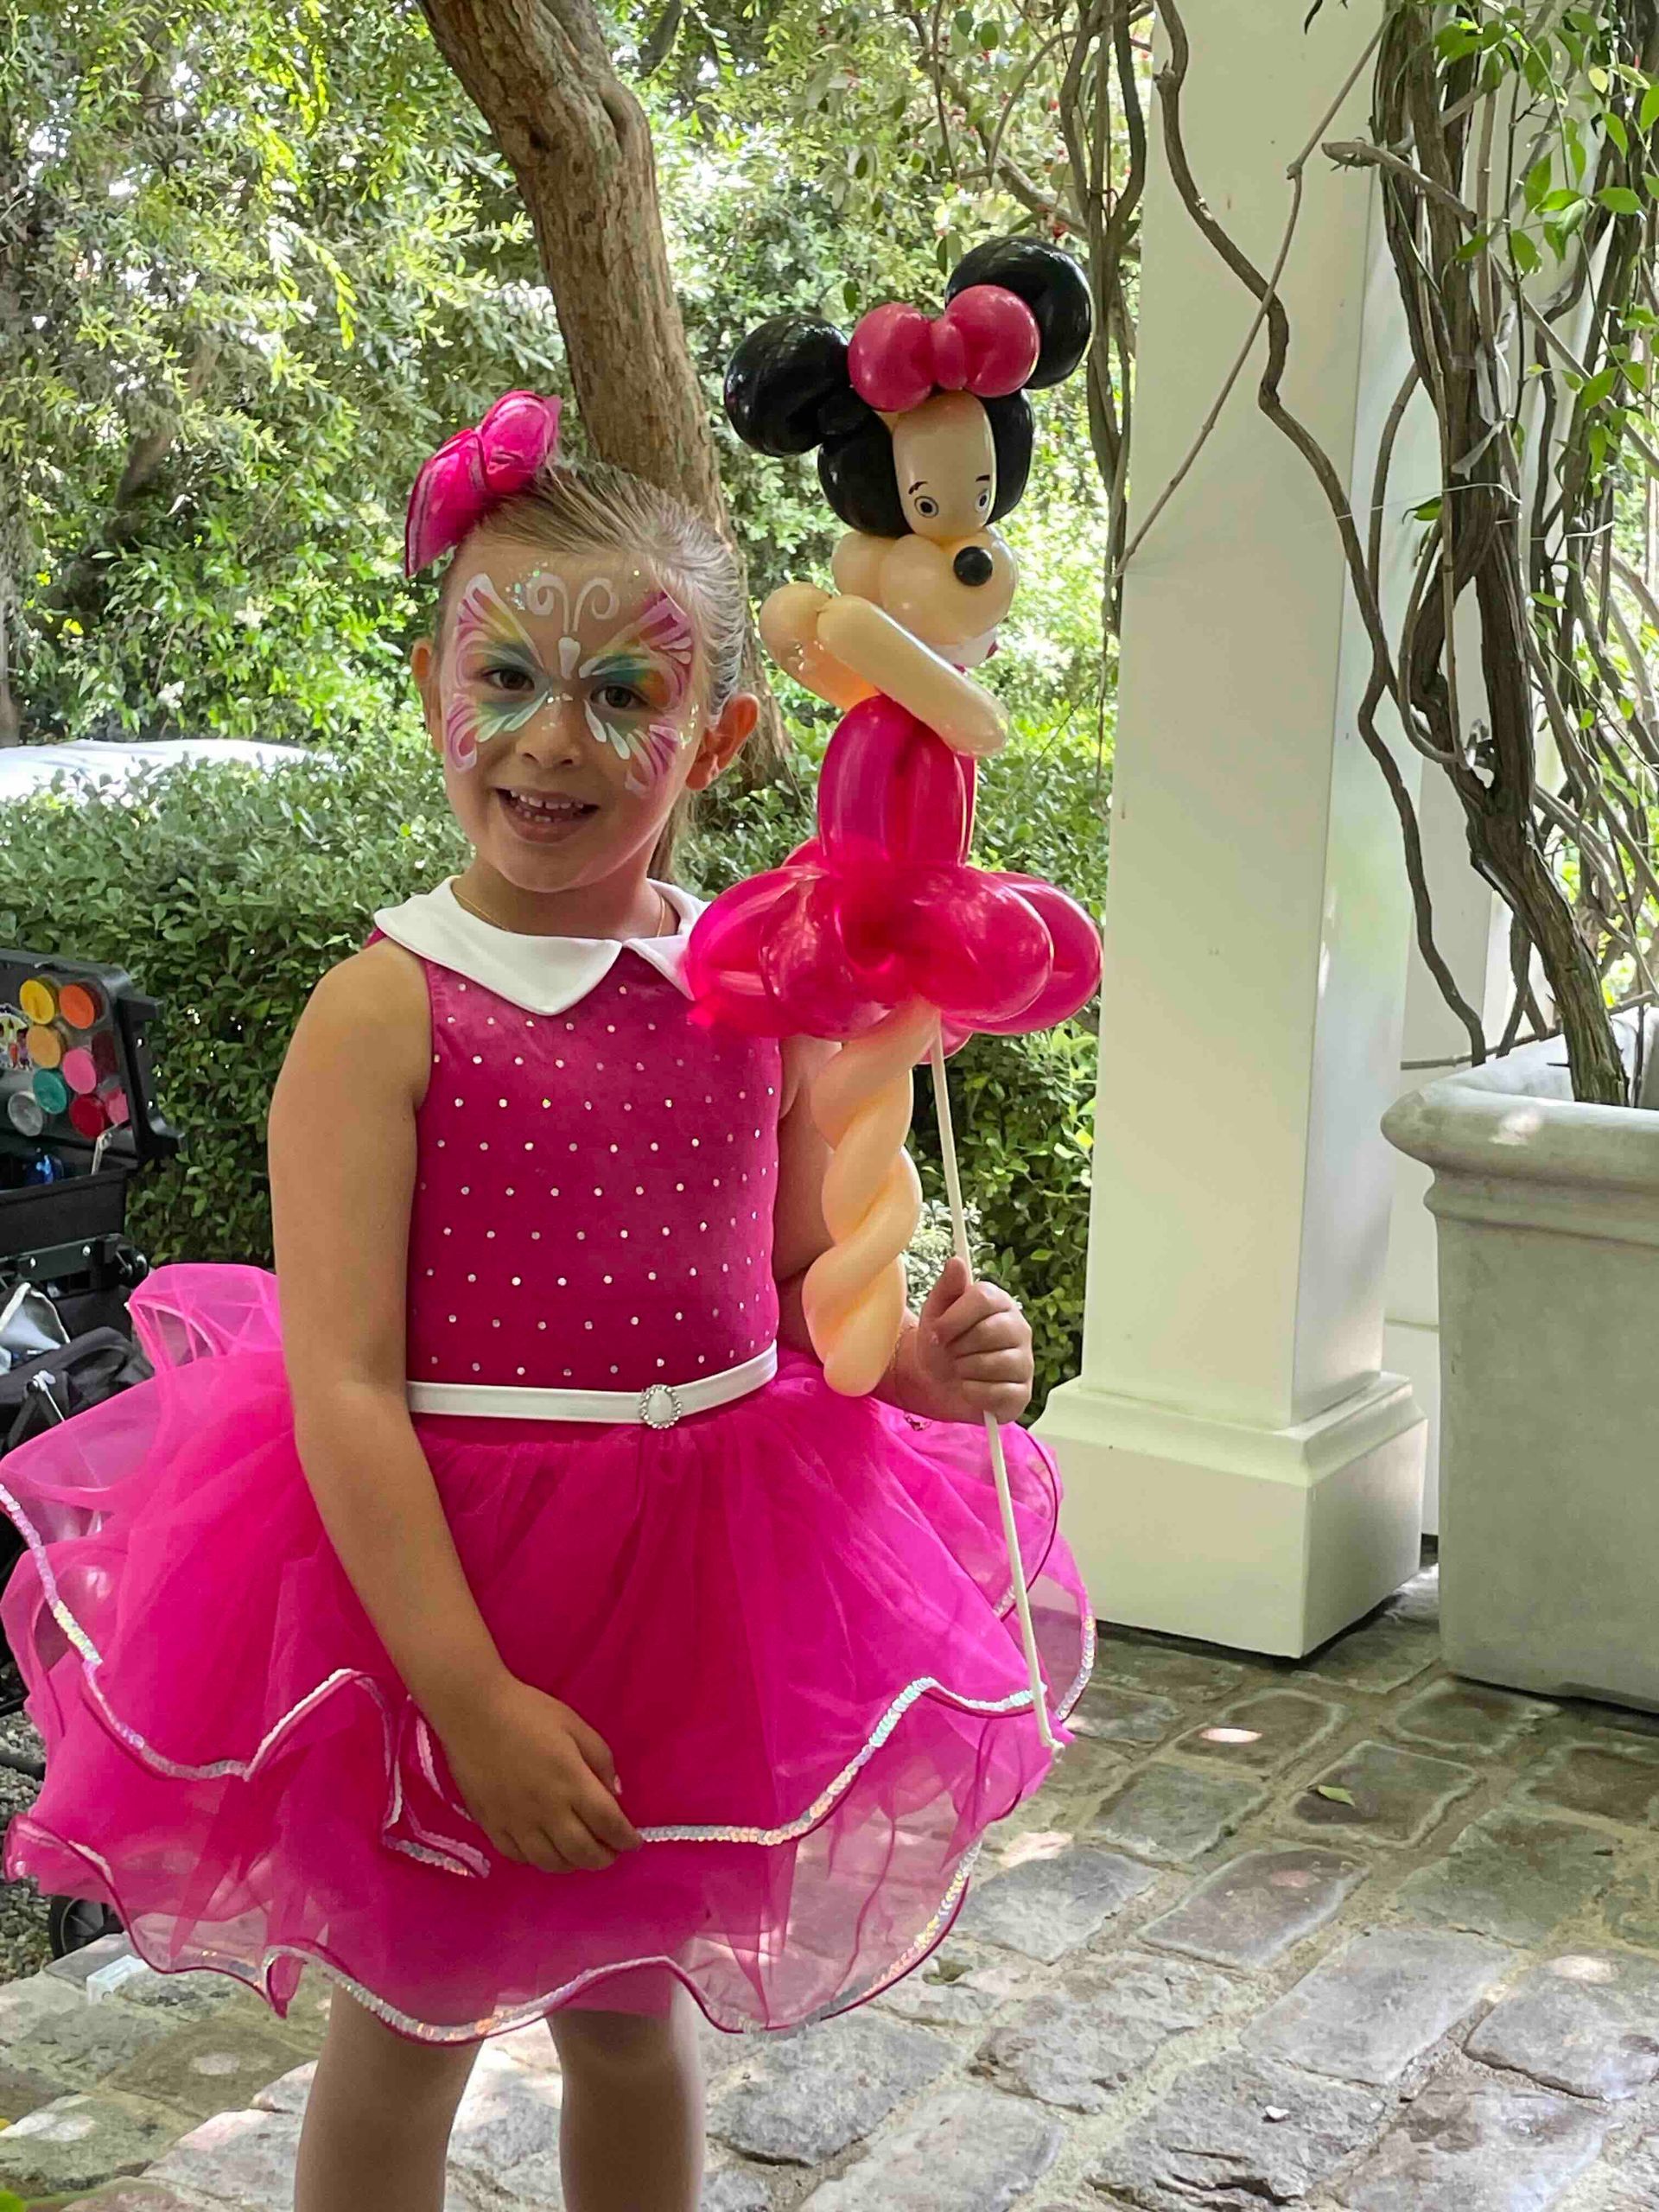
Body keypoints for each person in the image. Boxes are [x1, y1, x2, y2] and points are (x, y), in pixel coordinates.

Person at [0, 394, 1091, 2212]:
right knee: (412, 2021)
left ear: (720, 731)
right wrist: (468, 1695)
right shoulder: (385, 1015)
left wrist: (909, 1360)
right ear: (435, 685)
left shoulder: (753, 986)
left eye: (622, 693)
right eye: (504, 675)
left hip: (705, 1585)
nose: (552, 739)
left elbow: (785, 1285)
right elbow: (347, 1386)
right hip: (450, 1583)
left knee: (630, 2013)